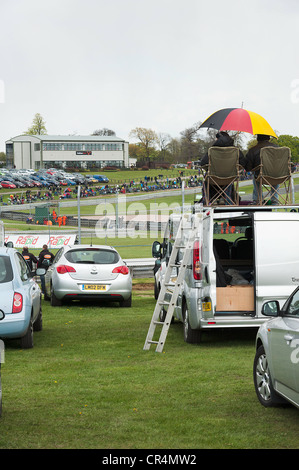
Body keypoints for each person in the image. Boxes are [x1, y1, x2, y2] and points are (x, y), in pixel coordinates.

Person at [200, 131, 246, 204]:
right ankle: (226, 199)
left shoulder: (212, 150)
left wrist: (209, 169)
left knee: (207, 177)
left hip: (213, 178)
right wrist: (235, 169)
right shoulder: (235, 150)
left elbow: (203, 163)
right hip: (230, 178)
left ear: (218, 139)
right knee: (229, 178)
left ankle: (209, 200)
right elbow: (243, 163)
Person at [245, 134, 279, 204]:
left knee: (256, 174)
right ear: (269, 138)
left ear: (257, 139)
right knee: (275, 172)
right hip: (278, 176)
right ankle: (274, 198)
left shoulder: (253, 150)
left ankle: (258, 199)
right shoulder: (277, 148)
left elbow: (248, 168)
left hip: (261, 177)